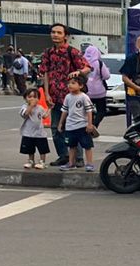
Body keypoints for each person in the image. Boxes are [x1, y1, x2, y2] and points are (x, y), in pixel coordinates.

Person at [37, 24, 90, 167]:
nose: (55, 35)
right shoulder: (48, 53)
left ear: (65, 36)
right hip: (55, 96)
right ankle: (63, 155)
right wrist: (47, 94)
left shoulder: (73, 52)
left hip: (72, 97)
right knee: (56, 128)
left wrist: (78, 72)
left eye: (59, 32)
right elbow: (46, 73)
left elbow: (87, 67)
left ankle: (78, 157)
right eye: (53, 32)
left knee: (74, 126)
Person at [56, 75, 97, 173]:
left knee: (87, 145)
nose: (70, 85)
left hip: (82, 126)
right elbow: (65, 111)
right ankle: (71, 163)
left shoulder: (84, 97)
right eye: (69, 83)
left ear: (81, 85)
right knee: (71, 146)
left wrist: (89, 124)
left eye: (73, 83)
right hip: (70, 126)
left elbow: (89, 111)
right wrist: (61, 123)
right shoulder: (67, 97)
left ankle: (90, 164)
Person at [19, 88, 50, 169]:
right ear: (25, 98)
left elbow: (44, 116)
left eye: (35, 97)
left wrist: (49, 109)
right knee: (29, 148)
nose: (32, 99)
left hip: (40, 132)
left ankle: (42, 161)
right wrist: (31, 106)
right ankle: (31, 160)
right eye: (30, 97)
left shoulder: (40, 108)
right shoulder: (24, 107)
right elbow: (25, 114)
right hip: (28, 132)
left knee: (42, 148)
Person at [82, 45, 111, 128]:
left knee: (87, 111)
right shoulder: (99, 63)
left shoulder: (82, 63)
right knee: (101, 111)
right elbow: (106, 76)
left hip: (85, 92)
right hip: (99, 92)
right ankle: (94, 125)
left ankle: (87, 125)